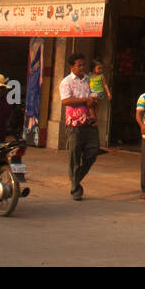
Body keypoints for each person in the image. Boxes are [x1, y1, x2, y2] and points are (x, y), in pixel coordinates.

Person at [59, 53, 101, 200]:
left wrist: (94, 114)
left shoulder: (89, 80)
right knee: (74, 156)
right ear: (72, 67)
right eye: (79, 65)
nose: (82, 68)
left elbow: (94, 99)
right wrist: (85, 100)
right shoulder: (66, 82)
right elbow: (65, 101)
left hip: (89, 122)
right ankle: (75, 188)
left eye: (84, 65)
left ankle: (75, 180)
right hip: (74, 123)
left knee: (93, 151)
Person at [88, 58, 112, 149]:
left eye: (102, 68)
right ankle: (93, 117)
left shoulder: (101, 76)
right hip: (91, 93)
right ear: (93, 68)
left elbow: (105, 85)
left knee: (95, 106)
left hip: (99, 94)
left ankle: (95, 118)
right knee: (91, 105)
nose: (101, 70)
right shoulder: (89, 75)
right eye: (99, 68)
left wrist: (108, 93)